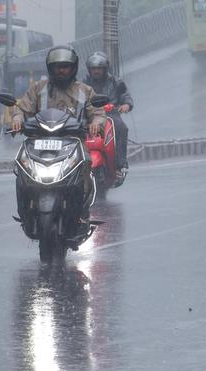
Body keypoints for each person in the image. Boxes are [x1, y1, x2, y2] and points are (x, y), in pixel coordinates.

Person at [11, 47, 106, 238]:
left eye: (65, 67)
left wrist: (96, 124)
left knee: (86, 165)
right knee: (20, 168)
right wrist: (17, 118)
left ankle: (82, 213)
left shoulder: (85, 91)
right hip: (40, 142)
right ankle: (26, 210)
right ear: (50, 68)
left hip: (72, 142)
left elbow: (98, 113)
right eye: (57, 67)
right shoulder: (38, 88)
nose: (61, 71)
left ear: (73, 68)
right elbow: (22, 108)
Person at [83, 51, 133, 179]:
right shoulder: (84, 83)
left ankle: (119, 165)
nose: (96, 71)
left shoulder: (115, 81)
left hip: (111, 115)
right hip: (90, 115)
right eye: (93, 68)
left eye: (99, 68)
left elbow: (125, 95)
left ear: (105, 69)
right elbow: (77, 100)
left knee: (121, 128)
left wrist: (126, 104)